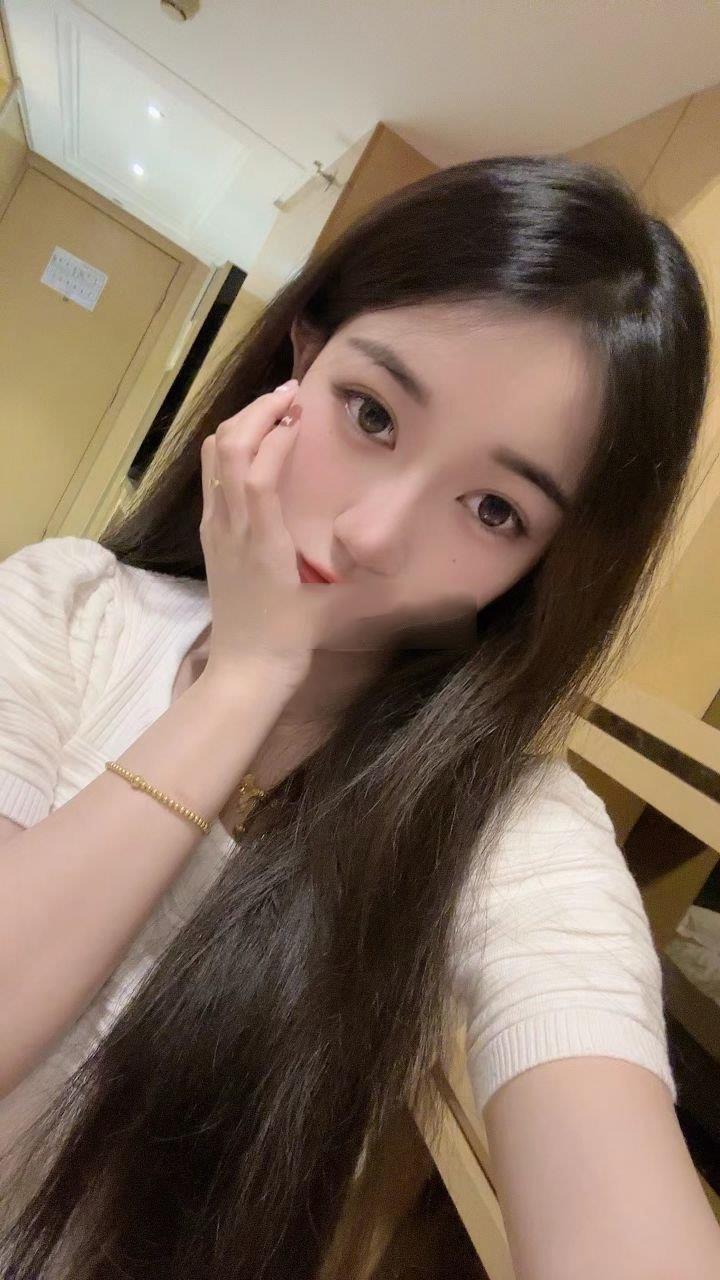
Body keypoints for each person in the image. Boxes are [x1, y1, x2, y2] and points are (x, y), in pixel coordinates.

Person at [0, 155, 719, 1279]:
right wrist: (246, 678)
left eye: (494, 508)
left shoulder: (507, 827)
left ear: (547, 561)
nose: (375, 534)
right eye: (372, 413)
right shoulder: (69, 606)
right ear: (302, 356)